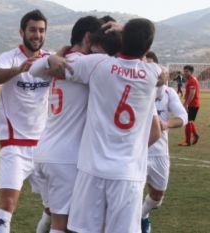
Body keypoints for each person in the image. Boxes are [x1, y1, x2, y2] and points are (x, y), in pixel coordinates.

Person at [31, 18, 162, 233]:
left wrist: (52, 59)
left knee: (74, 228)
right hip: (127, 173)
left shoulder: (97, 64)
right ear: (147, 48)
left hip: (91, 169)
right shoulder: (153, 73)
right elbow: (159, 73)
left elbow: (38, 69)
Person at [32, 15, 102, 233]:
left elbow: (34, 69)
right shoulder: (84, 63)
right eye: (99, 41)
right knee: (63, 225)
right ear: (88, 38)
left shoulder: (61, 61)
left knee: (53, 216)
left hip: (45, 151)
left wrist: (53, 56)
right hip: (65, 157)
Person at [0, 10, 51, 233]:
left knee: (55, 209)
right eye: (33, 30)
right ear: (22, 32)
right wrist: (20, 69)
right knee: (7, 205)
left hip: (44, 146)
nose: (37, 35)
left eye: (41, 30)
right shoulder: (9, 57)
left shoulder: (48, 60)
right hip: (14, 144)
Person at [141, 52, 187, 233]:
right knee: (132, 194)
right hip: (138, 152)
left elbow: (183, 117)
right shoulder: (136, 88)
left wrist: (166, 124)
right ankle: (136, 222)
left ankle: (143, 214)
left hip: (159, 152)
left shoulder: (168, 92)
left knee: (157, 195)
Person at [179, 65, 201, 146]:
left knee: (187, 121)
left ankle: (187, 141)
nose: (185, 73)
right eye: (184, 71)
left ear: (191, 72)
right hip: (193, 104)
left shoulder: (192, 81)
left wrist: (186, 104)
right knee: (190, 120)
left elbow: (192, 93)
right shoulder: (191, 80)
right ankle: (195, 135)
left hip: (193, 104)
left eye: (187, 71)